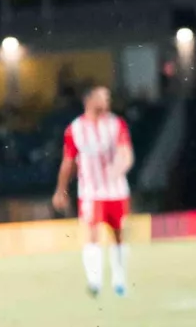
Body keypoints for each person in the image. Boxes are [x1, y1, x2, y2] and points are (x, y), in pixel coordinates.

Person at [52, 85, 134, 297]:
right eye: (102, 97)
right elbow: (68, 162)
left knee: (118, 235)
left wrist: (118, 169)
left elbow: (127, 154)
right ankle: (94, 281)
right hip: (90, 192)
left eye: (108, 97)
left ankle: (119, 279)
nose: (107, 101)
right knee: (92, 234)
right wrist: (61, 190)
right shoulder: (75, 129)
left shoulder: (116, 124)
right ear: (89, 101)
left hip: (116, 191)